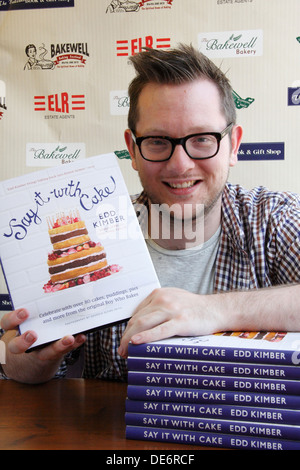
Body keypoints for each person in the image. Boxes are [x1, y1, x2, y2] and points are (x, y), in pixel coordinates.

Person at [1, 44, 299, 383]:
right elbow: (22, 365)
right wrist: (27, 363)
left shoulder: (272, 218)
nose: (181, 164)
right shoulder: (93, 235)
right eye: (158, 141)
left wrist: (211, 311)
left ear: (234, 145)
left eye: (202, 139)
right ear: (132, 148)